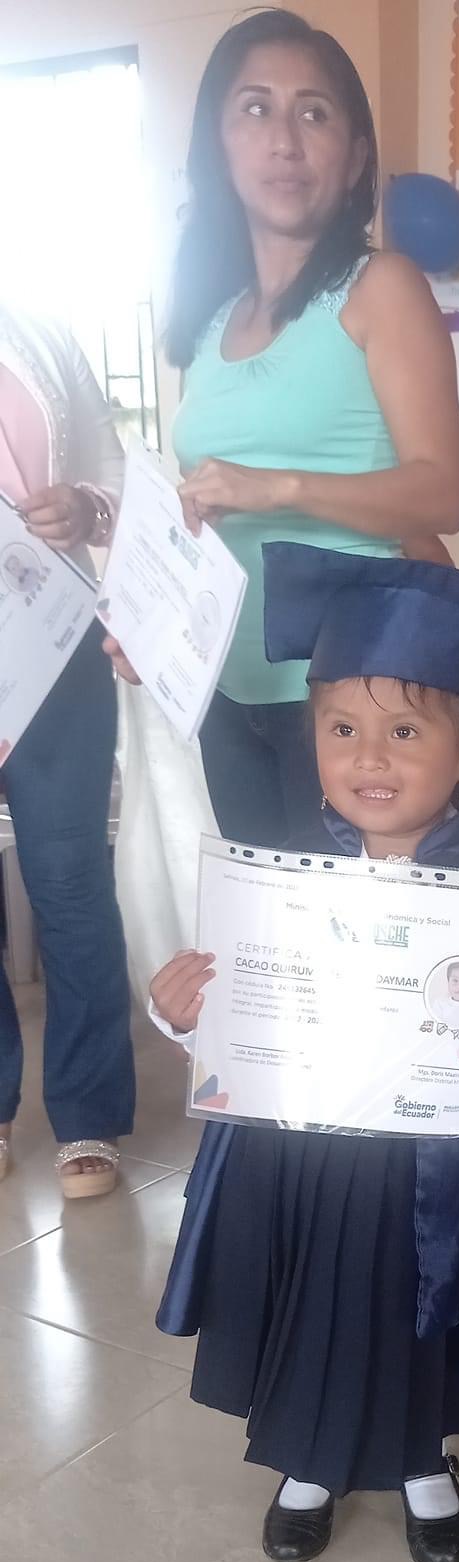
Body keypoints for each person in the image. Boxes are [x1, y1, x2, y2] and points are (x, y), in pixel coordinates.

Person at [149, 549, 459, 1562]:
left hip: (437, 1164)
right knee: (314, 1300)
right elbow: (247, 1016)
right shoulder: (287, 877)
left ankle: (425, 1465)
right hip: (306, 1153)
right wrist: (185, 1015)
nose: (368, 757)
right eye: (341, 729)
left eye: (405, 731)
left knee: (415, 1311)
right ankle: (307, 1467)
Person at [161, 7, 459, 847]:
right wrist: (156, 627)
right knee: (262, 924)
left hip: (354, 691)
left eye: (314, 112)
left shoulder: (380, 287)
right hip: (229, 687)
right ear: (219, 143)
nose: (284, 141)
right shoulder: (209, 323)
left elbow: (441, 493)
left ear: (356, 154)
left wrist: (279, 487)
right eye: (255, 108)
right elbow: (208, 513)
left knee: (350, 926)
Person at [0, 303, 134, 1200]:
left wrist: (89, 507)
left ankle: (88, 1111)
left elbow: (116, 471)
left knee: (70, 881)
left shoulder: (38, 336)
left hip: (53, 639)